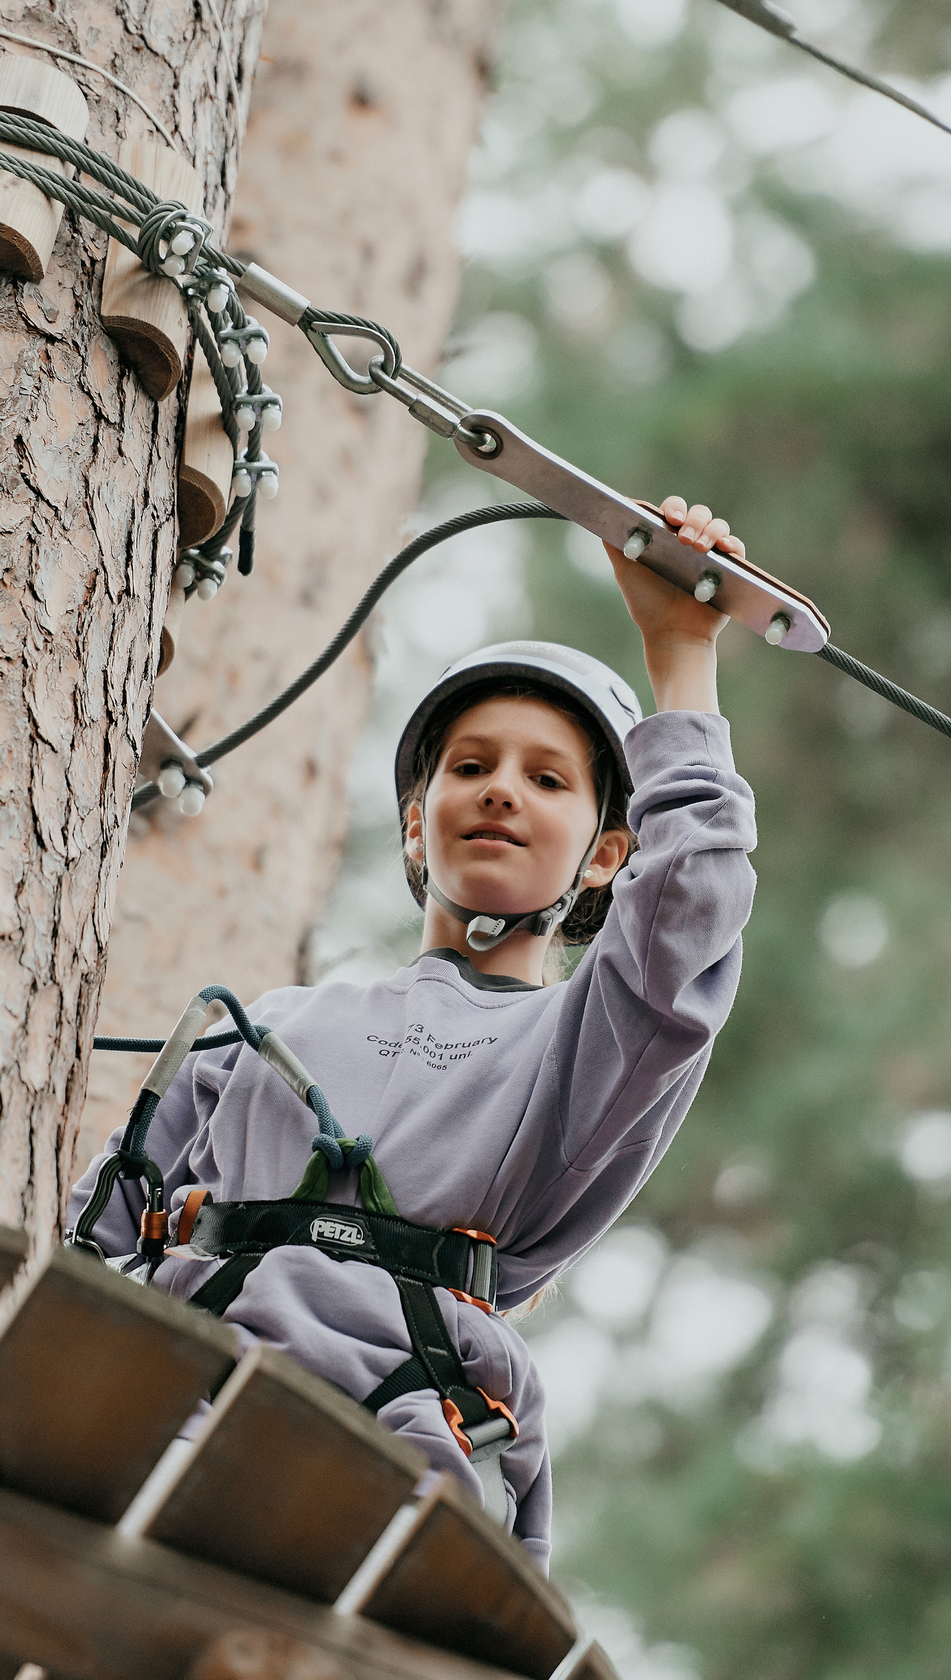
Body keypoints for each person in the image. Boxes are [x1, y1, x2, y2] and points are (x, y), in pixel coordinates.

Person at [74, 496, 760, 1568]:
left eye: (547, 779)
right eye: (471, 766)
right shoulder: (262, 1034)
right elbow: (96, 1238)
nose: (500, 794)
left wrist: (682, 656)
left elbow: (687, 915)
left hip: (401, 1463)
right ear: (414, 820)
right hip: (174, 1417)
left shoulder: (585, 1047)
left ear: (604, 857)